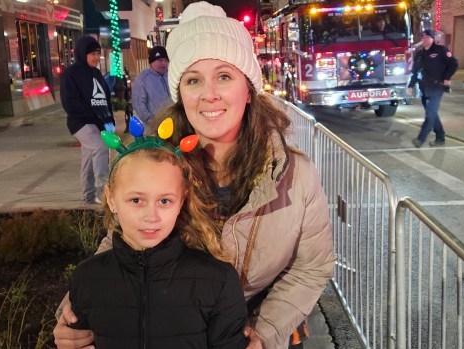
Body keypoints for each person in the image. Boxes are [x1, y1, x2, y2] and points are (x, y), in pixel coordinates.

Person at [54, 2, 335, 349]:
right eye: (193, 80)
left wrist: (265, 333)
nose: (209, 94)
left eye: (224, 76)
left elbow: (311, 267)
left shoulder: (296, 175)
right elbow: (123, 241)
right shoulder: (152, 160)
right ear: (180, 93)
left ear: (248, 90)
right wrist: (76, 307)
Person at [68, 123, 249, 348]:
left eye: (164, 201)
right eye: (136, 200)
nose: (151, 216)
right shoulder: (87, 278)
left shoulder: (218, 281)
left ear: (181, 201)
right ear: (112, 199)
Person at [60, 35, 115, 204]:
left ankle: (89, 195)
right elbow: (69, 103)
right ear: (83, 54)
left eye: (98, 54)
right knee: (100, 147)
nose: (96, 58)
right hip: (80, 122)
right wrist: (90, 115)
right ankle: (102, 191)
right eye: (93, 54)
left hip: (98, 123)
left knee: (89, 157)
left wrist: (109, 121)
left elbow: (105, 99)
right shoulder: (71, 74)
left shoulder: (97, 73)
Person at [407, 29, 458, 148]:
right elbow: (415, 72)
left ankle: (420, 139)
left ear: (432, 39)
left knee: (430, 114)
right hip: (424, 88)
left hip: (437, 87)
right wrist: (410, 85)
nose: (425, 40)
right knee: (432, 114)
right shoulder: (419, 54)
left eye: (427, 37)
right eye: (423, 38)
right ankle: (440, 137)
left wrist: (447, 77)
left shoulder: (440, 51)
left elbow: (454, 63)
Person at [131, 46, 173, 132]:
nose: (164, 63)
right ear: (152, 62)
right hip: (153, 127)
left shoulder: (171, 75)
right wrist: (153, 122)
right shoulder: (142, 79)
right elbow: (138, 104)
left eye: (166, 60)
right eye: (160, 60)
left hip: (173, 123)